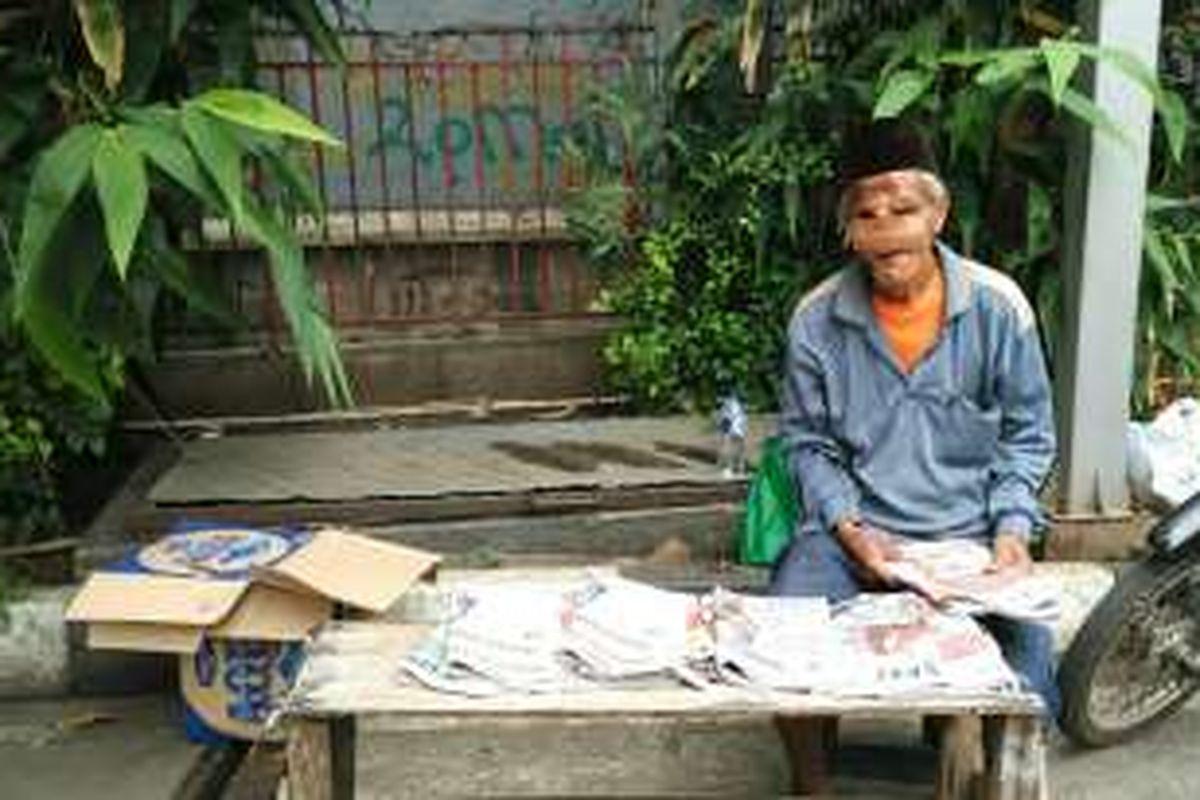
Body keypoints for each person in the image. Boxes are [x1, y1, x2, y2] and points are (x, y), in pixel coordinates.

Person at [769, 118, 1060, 719]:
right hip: (854, 536)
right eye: (867, 215)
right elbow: (808, 447)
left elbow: (1027, 437)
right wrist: (852, 532)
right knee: (783, 667)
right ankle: (812, 788)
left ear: (938, 215)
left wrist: (1010, 532)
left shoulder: (998, 309)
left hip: (972, 538)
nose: (887, 228)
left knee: (1027, 696)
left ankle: (965, 761)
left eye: (903, 208)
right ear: (849, 231)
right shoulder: (816, 322)